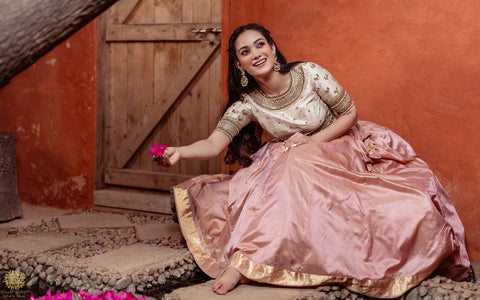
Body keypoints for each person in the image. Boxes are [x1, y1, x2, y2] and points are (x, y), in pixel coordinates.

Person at [158, 23, 471, 298]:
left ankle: (252, 261)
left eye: (260, 45)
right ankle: (245, 262)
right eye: (244, 52)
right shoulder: (248, 103)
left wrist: (311, 142)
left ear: (273, 48)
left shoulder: (308, 73)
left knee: (398, 203)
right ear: (239, 65)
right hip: (290, 158)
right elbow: (215, 143)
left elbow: (349, 113)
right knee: (286, 167)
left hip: (335, 145)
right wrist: (181, 151)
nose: (255, 54)